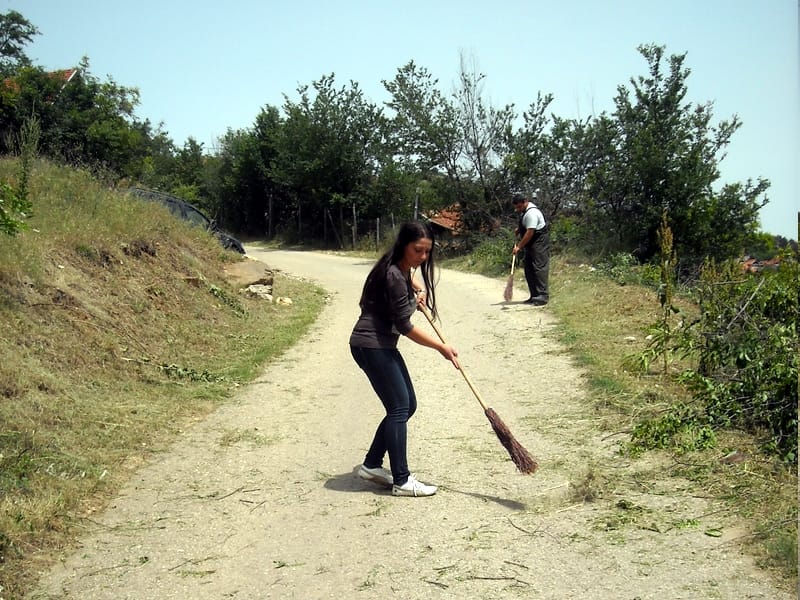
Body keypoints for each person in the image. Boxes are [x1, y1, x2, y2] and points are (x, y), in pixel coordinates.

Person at [349, 221, 460, 497]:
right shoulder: (393, 275)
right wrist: (441, 347)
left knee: (407, 405)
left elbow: (404, 286)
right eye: (417, 251)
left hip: (378, 345)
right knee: (399, 406)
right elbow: (405, 327)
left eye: (426, 252)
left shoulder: (396, 268)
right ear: (403, 246)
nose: (422, 257)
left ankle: (372, 465)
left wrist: (417, 289)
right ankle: (401, 479)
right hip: (371, 346)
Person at [511, 193, 550, 305]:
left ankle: (542, 296)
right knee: (529, 269)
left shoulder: (532, 213)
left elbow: (530, 232)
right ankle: (534, 296)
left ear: (525, 202)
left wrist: (519, 247)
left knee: (539, 268)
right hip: (530, 244)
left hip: (539, 243)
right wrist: (519, 229)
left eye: (519, 206)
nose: (517, 209)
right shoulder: (525, 212)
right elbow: (526, 226)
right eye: (516, 207)